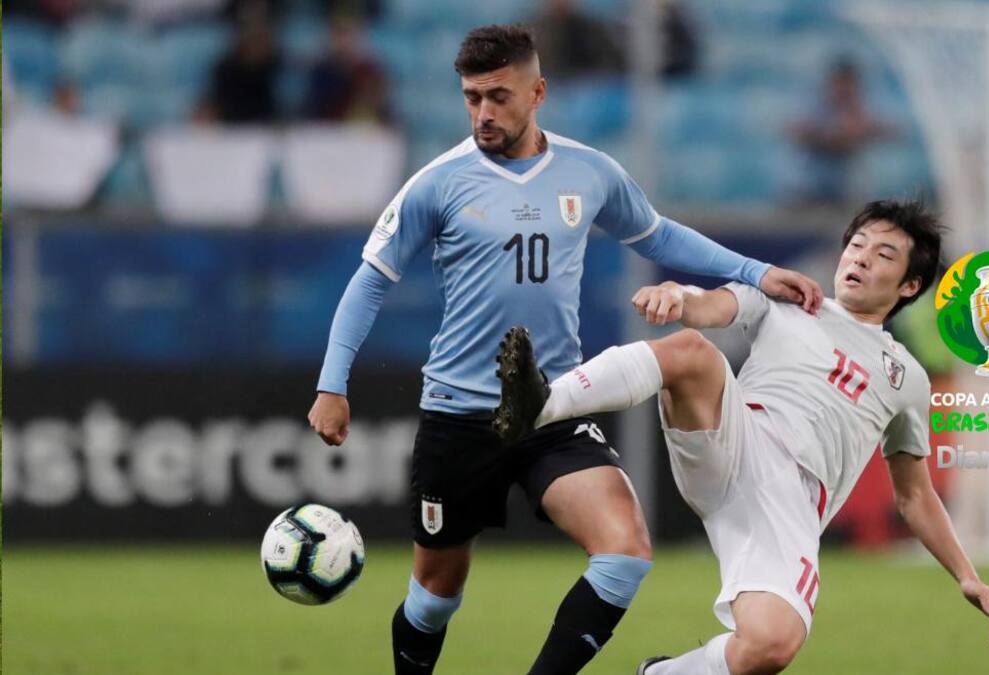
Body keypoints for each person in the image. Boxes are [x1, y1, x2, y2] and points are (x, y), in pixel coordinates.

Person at [306, 24, 823, 675]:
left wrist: (753, 272)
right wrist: (332, 383)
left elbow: (659, 237)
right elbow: (369, 281)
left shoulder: (589, 172)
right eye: (471, 98)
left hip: (550, 407)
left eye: (498, 96)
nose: (483, 113)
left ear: (538, 91)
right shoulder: (438, 183)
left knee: (626, 550)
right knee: (435, 595)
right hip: (458, 416)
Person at [494, 200, 989, 675]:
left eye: (884, 254)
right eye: (857, 244)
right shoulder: (791, 300)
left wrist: (966, 574)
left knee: (771, 644)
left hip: (790, 505)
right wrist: (677, 294)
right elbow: (709, 305)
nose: (861, 258)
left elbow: (914, 493)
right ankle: (542, 405)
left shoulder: (908, 378)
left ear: (910, 286)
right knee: (692, 351)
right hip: (736, 438)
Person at [789, 57, 894, 203]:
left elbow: (892, 132)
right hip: (813, 188)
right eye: (840, 83)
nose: (844, 89)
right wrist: (827, 136)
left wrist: (864, 131)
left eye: (849, 84)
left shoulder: (862, 111)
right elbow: (793, 130)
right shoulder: (815, 108)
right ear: (831, 84)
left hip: (848, 190)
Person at [303, 12, 393, 126]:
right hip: (328, 134)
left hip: (362, 134)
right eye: (339, 34)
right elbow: (315, 111)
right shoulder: (320, 71)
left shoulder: (369, 70)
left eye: (348, 34)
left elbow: (383, 111)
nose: (343, 41)